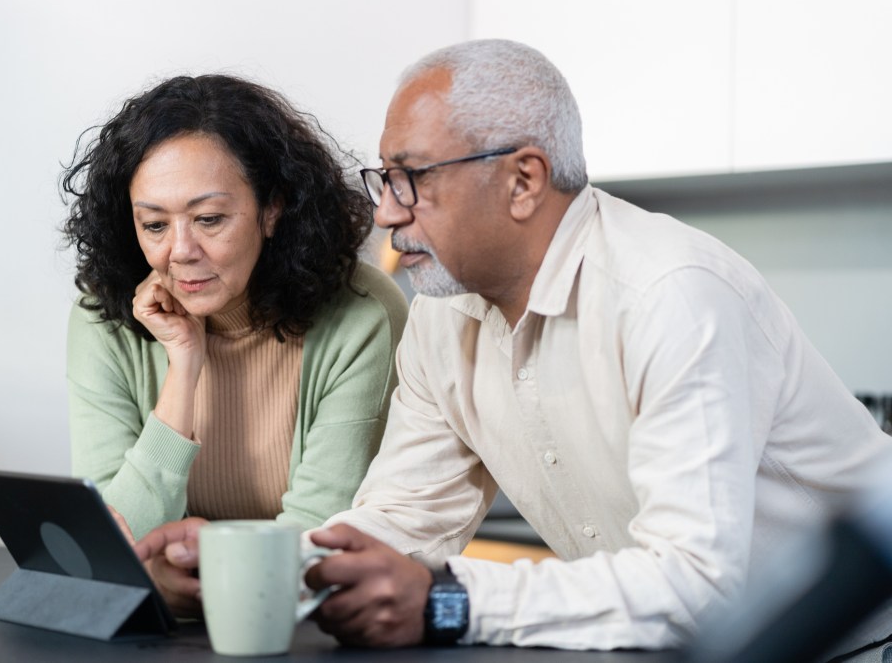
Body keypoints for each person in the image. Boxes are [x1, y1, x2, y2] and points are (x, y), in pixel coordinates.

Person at [134, 40, 892, 656]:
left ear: (523, 180)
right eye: (384, 179)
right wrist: (249, 562)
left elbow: (697, 581)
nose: (387, 213)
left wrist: (454, 600)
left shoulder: (671, 294)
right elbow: (404, 516)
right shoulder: (441, 314)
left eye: (410, 179)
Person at [60, 74, 409, 610]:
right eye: (154, 224)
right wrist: (183, 365)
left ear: (272, 210)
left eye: (209, 219)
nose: (180, 251)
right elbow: (111, 541)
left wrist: (176, 574)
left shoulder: (360, 317)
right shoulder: (102, 319)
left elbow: (322, 531)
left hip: (301, 620)